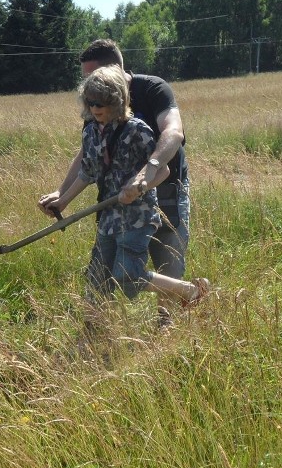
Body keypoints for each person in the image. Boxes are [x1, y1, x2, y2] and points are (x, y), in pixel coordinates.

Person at [39, 39, 191, 328]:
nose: (90, 89)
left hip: (161, 192)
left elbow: (173, 133)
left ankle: (170, 326)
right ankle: (95, 336)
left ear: (113, 73)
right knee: (102, 273)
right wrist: (63, 195)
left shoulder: (152, 91)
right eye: (86, 84)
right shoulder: (96, 112)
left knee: (165, 260)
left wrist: (146, 177)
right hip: (114, 206)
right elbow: (89, 159)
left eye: (94, 78)